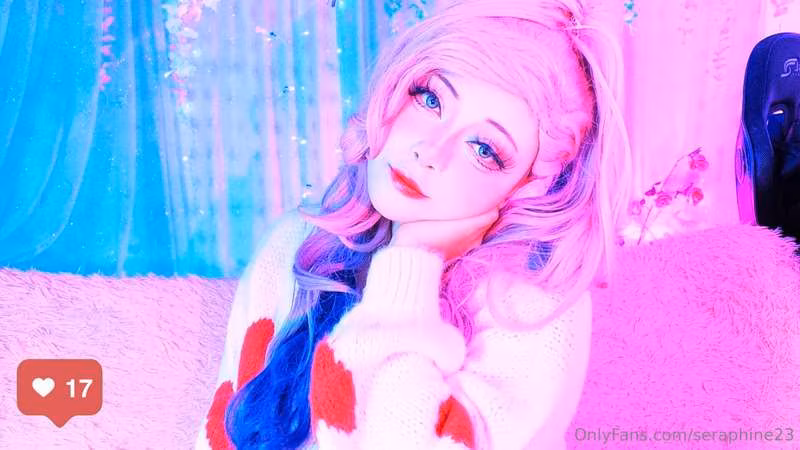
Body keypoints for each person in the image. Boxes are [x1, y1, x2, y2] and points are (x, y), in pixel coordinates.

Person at [196, 0, 632, 448]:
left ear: (527, 189)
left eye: (484, 149)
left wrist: (411, 263)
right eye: (430, 99)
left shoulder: (531, 305)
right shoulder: (296, 245)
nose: (430, 151)